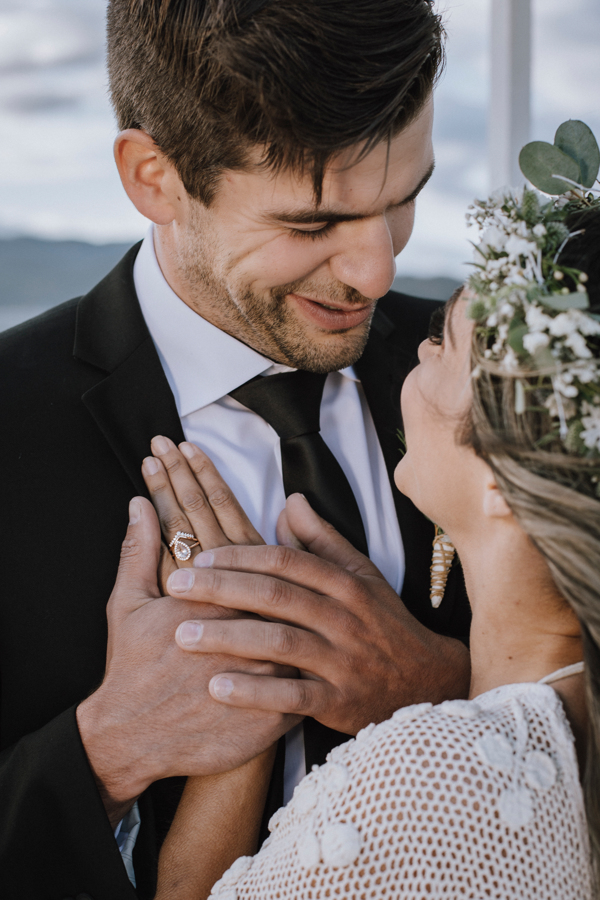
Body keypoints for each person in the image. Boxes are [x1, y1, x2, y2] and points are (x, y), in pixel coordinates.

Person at [0, 2, 470, 898]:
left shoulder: (481, 377)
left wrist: (442, 686)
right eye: (310, 224)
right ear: (154, 178)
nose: (377, 271)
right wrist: (105, 750)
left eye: (405, 200)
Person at [144, 184, 600, 897]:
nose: (413, 346)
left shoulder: (419, 783)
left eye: (443, 343)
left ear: (503, 480)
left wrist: (248, 663)